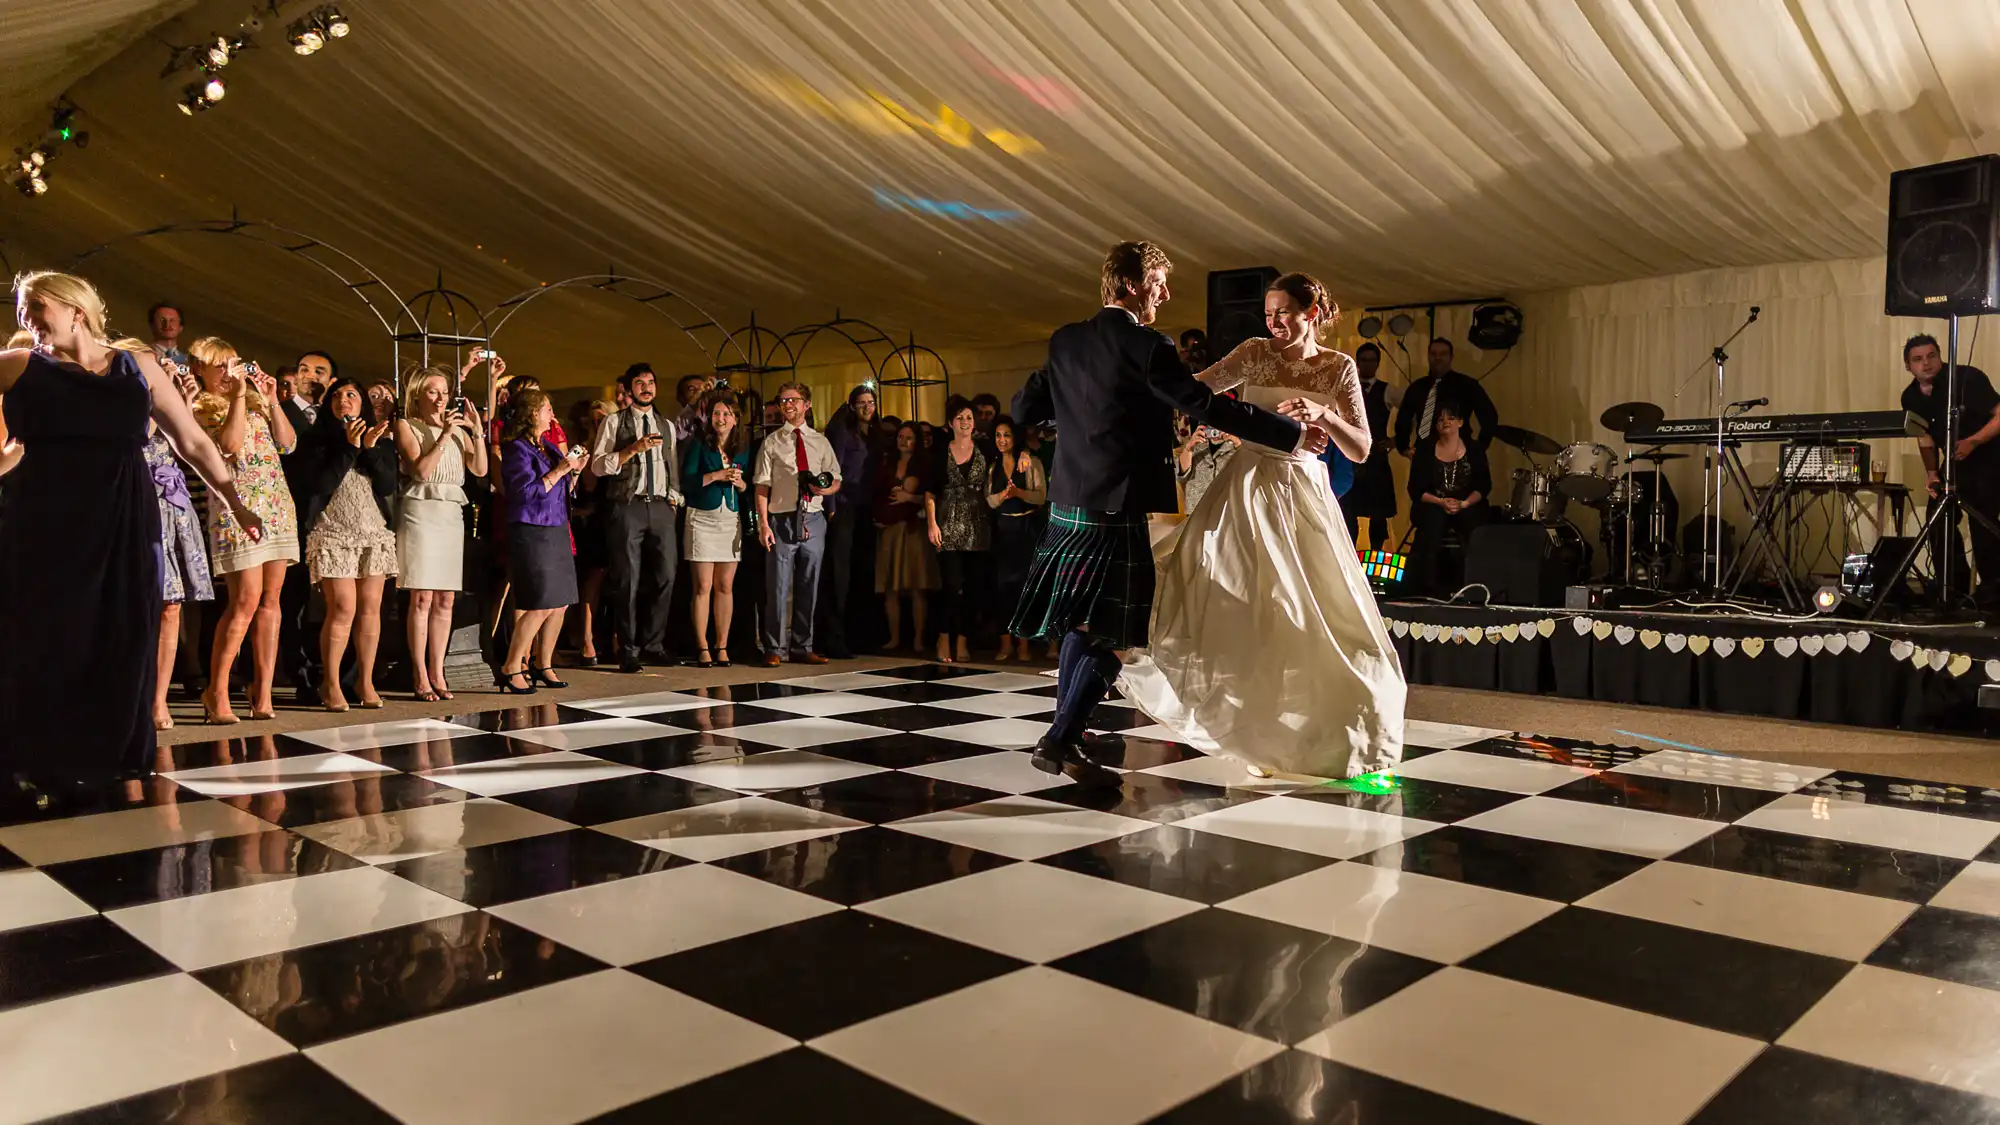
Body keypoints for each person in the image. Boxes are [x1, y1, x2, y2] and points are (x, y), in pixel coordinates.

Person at [1011, 242, 1328, 784]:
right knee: (1125, 629)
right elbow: (1204, 404)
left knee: (1082, 621)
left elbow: (1024, 410)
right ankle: (1061, 736)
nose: (1165, 292)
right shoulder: (1145, 344)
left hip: (1069, 501)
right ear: (1134, 285)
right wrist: (1291, 433)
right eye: (1159, 281)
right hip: (1118, 504)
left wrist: (1078, 418)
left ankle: (1069, 732)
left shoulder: (1066, 340)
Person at [1121, 271, 1404, 779]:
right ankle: (1251, 734)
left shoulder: (1337, 368)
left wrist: (1325, 414)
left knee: (1310, 614)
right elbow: (1194, 389)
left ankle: (1317, 734)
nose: (1273, 322)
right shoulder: (1254, 352)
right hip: (1246, 486)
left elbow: (1360, 449)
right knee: (1246, 609)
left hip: (1303, 492)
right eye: (1268, 313)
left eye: (1283, 313)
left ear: (1310, 313)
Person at [1, 274, 259, 795]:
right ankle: (38, 754)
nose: (25, 313)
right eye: (22, 305)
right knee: (50, 632)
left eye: (36, 302)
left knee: (122, 628)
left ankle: (106, 752)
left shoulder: (136, 365)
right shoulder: (19, 364)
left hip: (123, 511)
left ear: (77, 309)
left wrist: (235, 501)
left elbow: (191, 440)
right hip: (44, 514)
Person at [189, 336, 300, 724]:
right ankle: (216, 690)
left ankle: (263, 691)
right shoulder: (199, 407)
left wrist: (269, 399)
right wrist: (238, 396)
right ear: (199, 369)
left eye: (233, 363)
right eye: (219, 365)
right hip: (238, 510)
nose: (228, 372)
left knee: (272, 600)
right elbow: (229, 446)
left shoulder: (254, 403)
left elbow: (288, 445)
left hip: (276, 507)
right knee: (245, 601)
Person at [295, 377, 400, 712]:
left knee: (370, 608)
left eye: (352, 394)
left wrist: (368, 449)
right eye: (336, 395)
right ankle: (330, 682)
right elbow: (319, 484)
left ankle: (365, 680)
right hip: (333, 531)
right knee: (342, 608)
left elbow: (386, 485)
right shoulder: (315, 440)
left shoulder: (379, 438)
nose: (344, 400)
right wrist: (350, 448)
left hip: (371, 530)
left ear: (362, 404)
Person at [396, 366, 486, 701]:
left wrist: (475, 432)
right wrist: (445, 434)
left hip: (450, 512)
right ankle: (419, 673)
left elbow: (479, 470)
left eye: (444, 392)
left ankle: (438, 670)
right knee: (421, 597)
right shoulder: (406, 425)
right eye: (433, 391)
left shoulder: (459, 430)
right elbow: (420, 470)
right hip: (421, 510)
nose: (440, 398)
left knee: (446, 598)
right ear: (418, 395)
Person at [591, 363, 682, 674]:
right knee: (627, 580)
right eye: (640, 383)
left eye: (651, 382)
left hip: (660, 506)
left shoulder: (666, 424)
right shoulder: (615, 422)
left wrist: (674, 497)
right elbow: (598, 466)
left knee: (666, 575)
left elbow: (672, 465)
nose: (647, 387)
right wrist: (631, 450)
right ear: (629, 390)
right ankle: (628, 650)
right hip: (627, 505)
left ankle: (653, 645)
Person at [497, 388, 587, 692]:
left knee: (560, 602)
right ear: (533, 413)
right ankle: (512, 664)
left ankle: (543, 663)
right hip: (532, 528)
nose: (552, 414)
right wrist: (560, 470)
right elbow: (523, 494)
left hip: (557, 524)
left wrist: (573, 473)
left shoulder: (548, 446)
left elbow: (563, 487)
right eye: (547, 408)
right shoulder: (515, 449)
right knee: (540, 601)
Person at [1902, 333, 2000, 606]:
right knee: (1938, 518)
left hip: (1989, 455)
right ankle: (1954, 588)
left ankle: (1993, 590)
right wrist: (1932, 472)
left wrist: (1974, 440)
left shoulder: (1967, 378)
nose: (1927, 363)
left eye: (1932, 356)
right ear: (1908, 366)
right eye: (1918, 359)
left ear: (1941, 356)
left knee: (1982, 521)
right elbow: (1924, 438)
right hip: (1956, 460)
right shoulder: (1909, 396)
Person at [753, 381, 841, 665]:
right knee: (778, 586)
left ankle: (803, 646)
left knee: (809, 583)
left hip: (813, 517)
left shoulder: (820, 441)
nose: (788, 405)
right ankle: (775, 648)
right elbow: (761, 486)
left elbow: (836, 478)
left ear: (807, 404)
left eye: (793, 400)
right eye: (783, 401)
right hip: (781, 518)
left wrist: (824, 490)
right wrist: (763, 524)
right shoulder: (772, 442)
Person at [148, 359, 216, 731]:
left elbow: (184, 445)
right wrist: (161, 398)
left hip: (173, 507)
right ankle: (134, 697)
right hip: (137, 503)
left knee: (171, 606)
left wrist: (182, 403)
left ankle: (159, 700)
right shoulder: (126, 399)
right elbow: (142, 432)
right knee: (138, 608)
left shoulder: (165, 397)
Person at [277, 348, 334, 702]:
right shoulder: (280, 412)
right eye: (304, 369)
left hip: (333, 519)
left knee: (328, 603)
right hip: (293, 515)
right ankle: (299, 674)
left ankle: (331, 672)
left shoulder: (337, 417)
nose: (311, 375)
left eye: (320, 371)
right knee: (292, 601)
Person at [683, 389, 753, 667]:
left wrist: (741, 484)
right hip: (702, 517)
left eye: (726, 414)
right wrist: (715, 475)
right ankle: (702, 646)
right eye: (716, 413)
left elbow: (749, 486)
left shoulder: (743, 448)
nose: (721, 418)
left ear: (736, 419)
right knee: (703, 585)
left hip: (729, 518)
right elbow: (687, 482)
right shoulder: (699, 444)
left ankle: (721, 645)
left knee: (725, 585)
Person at [925, 396, 993, 664]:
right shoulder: (941, 452)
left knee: (974, 587)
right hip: (948, 523)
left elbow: (1011, 448)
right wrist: (932, 524)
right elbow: (930, 492)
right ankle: (944, 637)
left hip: (978, 524)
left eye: (969, 418)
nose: (965, 422)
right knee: (951, 586)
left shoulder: (985, 448)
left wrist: (1022, 454)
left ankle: (964, 639)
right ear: (950, 423)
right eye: (960, 418)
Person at [1406, 403, 1493, 598]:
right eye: (1440, 419)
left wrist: (1464, 504)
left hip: (1466, 503)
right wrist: (1440, 502)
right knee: (1432, 522)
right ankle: (1428, 587)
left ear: (1460, 423)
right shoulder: (1425, 450)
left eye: (1450, 418)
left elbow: (1484, 486)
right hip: (1433, 503)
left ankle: (1472, 585)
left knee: (1474, 524)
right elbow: (1415, 489)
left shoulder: (1474, 449)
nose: (1445, 422)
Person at [818, 385, 879, 659]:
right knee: (839, 575)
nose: (867, 407)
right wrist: (830, 507)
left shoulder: (875, 434)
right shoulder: (842, 431)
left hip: (866, 508)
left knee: (862, 572)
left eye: (871, 402)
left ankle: (860, 636)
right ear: (852, 405)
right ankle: (833, 638)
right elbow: (832, 469)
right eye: (862, 403)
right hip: (843, 507)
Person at [986, 417, 1046, 661]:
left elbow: (1041, 496)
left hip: (1025, 528)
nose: (1002, 440)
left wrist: (1019, 492)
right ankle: (1005, 644)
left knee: (1026, 589)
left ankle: (1024, 646)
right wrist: (1004, 494)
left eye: (1007, 435)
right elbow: (989, 499)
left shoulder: (1029, 461)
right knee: (1003, 589)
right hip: (1002, 530)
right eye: (998, 435)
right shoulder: (993, 465)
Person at [873, 421, 936, 650]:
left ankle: (918, 638)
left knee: (917, 584)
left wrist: (909, 497)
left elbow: (932, 496)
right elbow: (877, 492)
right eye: (900, 436)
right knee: (891, 586)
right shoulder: (888, 462)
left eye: (908, 437)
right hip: (889, 527)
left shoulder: (924, 464)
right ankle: (894, 637)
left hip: (913, 527)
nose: (903, 441)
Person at [566, 397, 613, 667]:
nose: (598, 424)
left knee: (613, 584)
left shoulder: (617, 448)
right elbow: (589, 485)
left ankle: (610, 639)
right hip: (588, 522)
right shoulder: (582, 447)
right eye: (593, 420)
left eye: (603, 419)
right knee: (590, 582)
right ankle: (586, 640)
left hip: (613, 519)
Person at [1394, 337, 1498, 456]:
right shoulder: (1417, 388)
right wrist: (1403, 448)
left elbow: (1489, 416)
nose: (1437, 358)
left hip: (1458, 453)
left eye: (1443, 354)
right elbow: (1403, 420)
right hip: (1424, 453)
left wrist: (1479, 447)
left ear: (1451, 357)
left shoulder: (1467, 385)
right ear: (1428, 356)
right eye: (1433, 354)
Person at [1344, 342, 1397, 549]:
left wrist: (1395, 441)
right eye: (1363, 360)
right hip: (1351, 458)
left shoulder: (1388, 390)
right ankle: (1352, 559)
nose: (1368, 364)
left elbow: (1413, 412)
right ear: (1357, 362)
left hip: (1376, 459)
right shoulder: (1348, 388)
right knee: (1350, 512)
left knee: (1378, 515)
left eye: (1372, 360)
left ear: (1378, 363)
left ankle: (1375, 561)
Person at [1176, 416, 1240, 513]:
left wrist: (1239, 444)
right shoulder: (1197, 442)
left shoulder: (1237, 445)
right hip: (1196, 510)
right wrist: (1188, 449)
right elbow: (1180, 476)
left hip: (1227, 509)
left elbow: (1249, 472)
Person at [148, 302, 187, 368]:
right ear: (152, 325)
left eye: (172, 320)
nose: (167, 325)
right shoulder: (142, 357)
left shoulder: (188, 362)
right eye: (162, 320)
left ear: (181, 327)